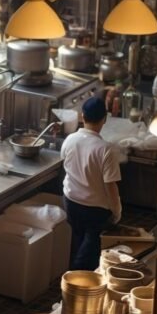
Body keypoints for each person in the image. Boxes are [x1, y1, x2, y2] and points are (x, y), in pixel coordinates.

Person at [61, 97, 122, 270]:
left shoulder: (70, 139)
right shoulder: (106, 149)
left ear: (82, 116)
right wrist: (117, 211)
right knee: (89, 254)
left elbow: (65, 162)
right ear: (104, 119)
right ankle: (76, 284)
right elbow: (111, 186)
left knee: (79, 243)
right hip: (95, 210)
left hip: (71, 202)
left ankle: (73, 281)